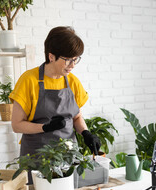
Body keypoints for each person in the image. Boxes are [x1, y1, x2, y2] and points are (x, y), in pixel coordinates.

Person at [9, 26, 101, 181]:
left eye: (76, 59)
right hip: (37, 158)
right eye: (67, 60)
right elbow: (16, 125)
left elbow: (76, 117)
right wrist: (45, 127)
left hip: (67, 158)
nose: (72, 65)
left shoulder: (72, 81)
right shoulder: (28, 80)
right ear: (51, 56)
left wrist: (86, 133)